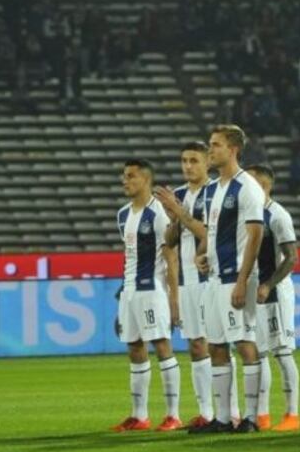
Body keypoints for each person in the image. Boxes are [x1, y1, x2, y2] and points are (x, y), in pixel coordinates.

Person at [189, 125, 265, 434]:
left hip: (236, 278)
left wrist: (242, 280)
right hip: (215, 279)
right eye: (210, 144)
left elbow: (256, 233)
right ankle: (222, 419)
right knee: (217, 347)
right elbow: (212, 232)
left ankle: (251, 417)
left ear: (233, 149)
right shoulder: (213, 189)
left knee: (245, 344)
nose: (211, 150)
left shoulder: (247, 186)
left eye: (216, 145)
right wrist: (202, 255)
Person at [110, 159, 182, 433]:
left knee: (162, 346)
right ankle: (139, 415)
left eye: (130, 176)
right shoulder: (123, 215)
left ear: (145, 180)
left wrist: (174, 298)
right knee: (134, 348)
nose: (124, 181)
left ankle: (173, 415)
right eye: (124, 176)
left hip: (152, 289)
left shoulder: (159, 214)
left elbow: (170, 258)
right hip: (130, 290)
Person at [155, 142, 220, 430]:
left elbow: (208, 234)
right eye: (184, 161)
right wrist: (172, 218)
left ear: (208, 162)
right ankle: (205, 413)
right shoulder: (178, 196)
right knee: (195, 345)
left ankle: (227, 410)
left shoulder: (217, 192)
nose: (188, 166)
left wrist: (179, 213)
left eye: (194, 160)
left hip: (212, 278)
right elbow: (169, 241)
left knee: (217, 344)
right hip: (187, 282)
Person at [246, 164, 300, 432]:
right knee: (259, 353)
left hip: (275, 292)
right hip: (253, 291)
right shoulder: (249, 215)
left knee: (282, 351)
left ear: (264, 186)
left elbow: (291, 257)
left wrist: (268, 284)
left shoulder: (278, 216)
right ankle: (263, 414)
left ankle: (292, 414)